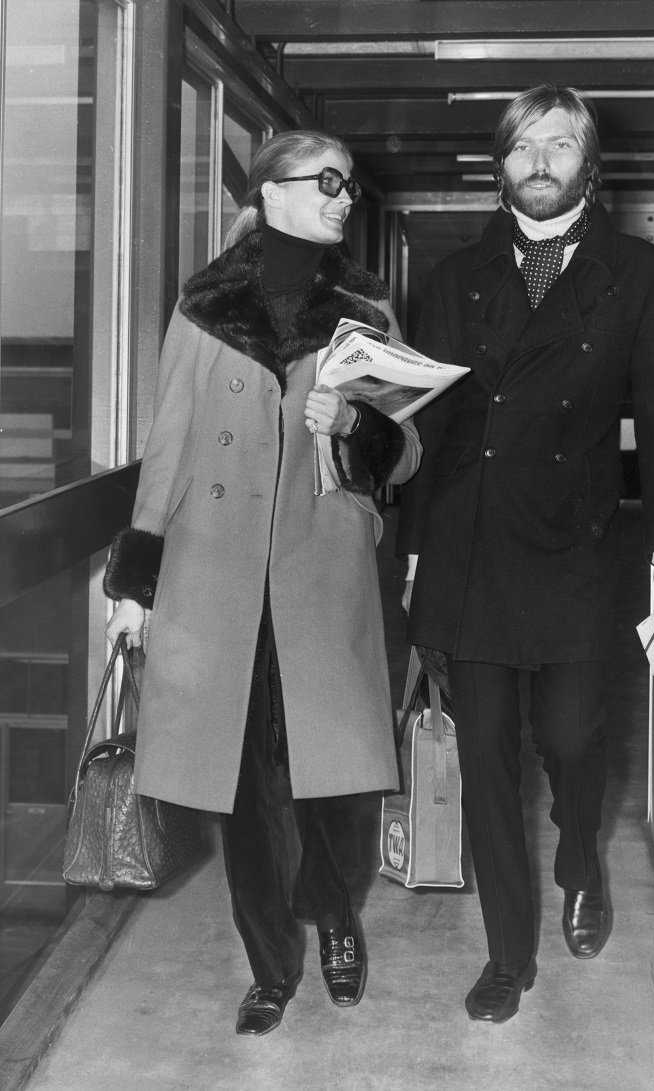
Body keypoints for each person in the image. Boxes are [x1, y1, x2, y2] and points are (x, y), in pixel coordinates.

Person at [103, 129, 421, 1037]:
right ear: (271, 192)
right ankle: (269, 962)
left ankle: (336, 919)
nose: (341, 197)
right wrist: (137, 580)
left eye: (349, 186)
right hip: (219, 574)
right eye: (325, 182)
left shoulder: (365, 308)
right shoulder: (205, 306)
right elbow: (167, 445)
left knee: (332, 782)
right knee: (243, 784)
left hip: (321, 571)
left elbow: (409, 451)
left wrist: (356, 419)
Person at [396, 85, 654, 1024]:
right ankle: (505, 954)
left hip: (576, 547)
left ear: (589, 163)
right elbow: (429, 432)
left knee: (571, 739)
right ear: (498, 163)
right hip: (471, 545)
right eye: (523, 144)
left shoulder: (641, 276)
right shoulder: (451, 283)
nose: (540, 159)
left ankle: (580, 863)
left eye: (560, 143)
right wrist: (412, 548)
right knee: (485, 753)